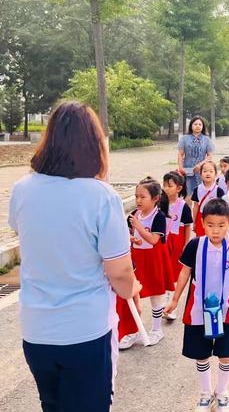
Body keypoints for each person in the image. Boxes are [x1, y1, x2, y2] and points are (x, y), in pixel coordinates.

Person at [9, 101, 141, 412]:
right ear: (93, 143)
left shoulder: (22, 189)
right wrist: (132, 288)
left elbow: (24, 233)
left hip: (37, 331)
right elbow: (119, 272)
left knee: (52, 406)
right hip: (86, 331)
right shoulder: (100, 196)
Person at [164, 199, 229, 412]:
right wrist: (175, 299)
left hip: (226, 310)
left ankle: (222, 393)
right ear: (202, 223)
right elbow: (184, 272)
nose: (216, 230)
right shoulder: (195, 245)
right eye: (210, 225)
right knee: (201, 353)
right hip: (197, 309)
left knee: (225, 353)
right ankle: (205, 394)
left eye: (221, 225)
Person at [119, 177, 175, 349]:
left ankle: (157, 329)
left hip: (154, 259)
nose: (138, 200)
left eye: (142, 197)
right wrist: (131, 237)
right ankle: (133, 330)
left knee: (156, 293)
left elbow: (153, 240)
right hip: (137, 258)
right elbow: (133, 235)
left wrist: (139, 227)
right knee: (133, 293)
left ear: (155, 198)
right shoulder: (134, 215)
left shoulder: (158, 217)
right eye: (136, 196)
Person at [162, 171, 193, 320]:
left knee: (175, 272)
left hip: (177, 242)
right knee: (165, 270)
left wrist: (186, 245)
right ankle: (166, 300)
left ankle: (171, 304)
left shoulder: (184, 206)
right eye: (164, 185)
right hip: (164, 242)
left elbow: (187, 227)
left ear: (179, 188)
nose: (166, 188)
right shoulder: (161, 204)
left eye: (170, 186)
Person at [178, 116, 215, 198]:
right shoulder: (184, 139)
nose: (198, 126)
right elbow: (180, 154)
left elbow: (210, 156)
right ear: (191, 125)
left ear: (203, 126)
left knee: (202, 194)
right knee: (188, 194)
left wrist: (200, 165)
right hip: (187, 170)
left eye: (200, 124)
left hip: (202, 171)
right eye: (195, 124)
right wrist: (180, 167)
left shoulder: (207, 139)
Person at [192, 162, 225, 237]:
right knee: (200, 239)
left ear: (215, 174)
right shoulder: (197, 189)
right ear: (200, 174)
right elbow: (195, 206)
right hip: (200, 217)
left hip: (215, 217)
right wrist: (194, 221)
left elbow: (222, 207)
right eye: (204, 171)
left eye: (211, 171)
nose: (208, 173)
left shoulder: (219, 190)